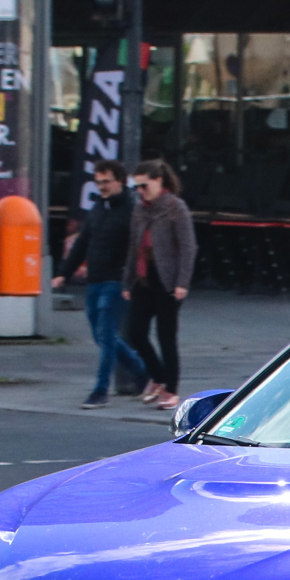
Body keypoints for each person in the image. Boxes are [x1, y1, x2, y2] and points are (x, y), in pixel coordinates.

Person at [54, 160, 138, 409]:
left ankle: (101, 390)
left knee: (107, 336)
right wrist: (64, 273)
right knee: (101, 336)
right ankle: (142, 371)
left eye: (106, 182)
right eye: (98, 182)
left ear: (120, 181)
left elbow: (136, 248)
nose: (101, 187)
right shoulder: (99, 207)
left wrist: (131, 278)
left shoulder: (131, 209)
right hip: (96, 279)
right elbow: (83, 243)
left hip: (117, 280)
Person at [124, 158, 197, 411]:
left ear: (158, 181)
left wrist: (182, 282)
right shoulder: (140, 209)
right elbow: (133, 247)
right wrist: (127, 280)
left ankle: (171, 389)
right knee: (136, 331)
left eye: (144, 186)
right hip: (144, 278)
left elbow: (188, 247)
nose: (140, 192)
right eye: (137, 187)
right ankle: (157, 377)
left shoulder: (175, 207)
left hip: (168, 279)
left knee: (166, 335)